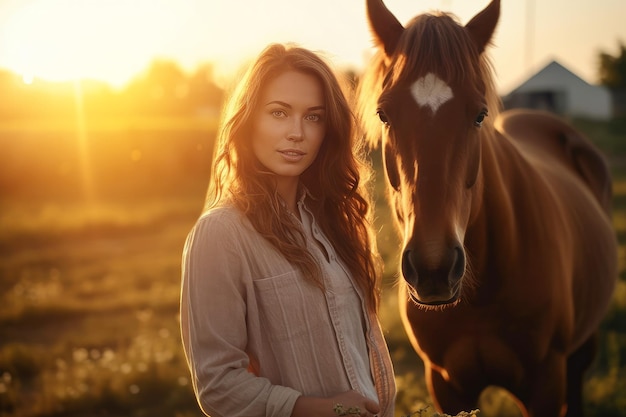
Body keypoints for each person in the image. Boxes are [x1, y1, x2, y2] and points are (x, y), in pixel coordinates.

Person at [180, 43, 396, 417]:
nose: (297, 132)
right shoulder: (220, 234)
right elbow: (218, 385)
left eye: (314, 117)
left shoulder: (335, 223)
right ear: (248, 120)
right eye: (279, 113)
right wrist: (324, 410)